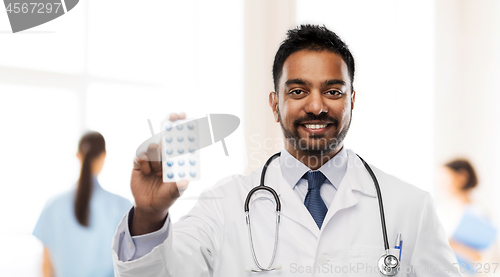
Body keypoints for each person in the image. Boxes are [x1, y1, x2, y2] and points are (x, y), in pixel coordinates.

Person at [112, 25, 461, 276]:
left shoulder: (409, 207)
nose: (315, 106)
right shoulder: (223, 207)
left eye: (333, 92)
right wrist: (148, 217)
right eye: (297, 91)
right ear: (275, 104)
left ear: (352, 102)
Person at [33, 131, 132, 277]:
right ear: (104, 156)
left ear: (78, 155)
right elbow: (130, 264)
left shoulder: (53, 206)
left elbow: (47, 267)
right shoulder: (122, 206)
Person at [437, 159, 499, 276]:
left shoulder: (480, 214)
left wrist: (453, 245)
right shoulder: (441, 210)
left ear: (462, 177)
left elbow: (491, 260)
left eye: (445, 179)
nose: (441, 185)